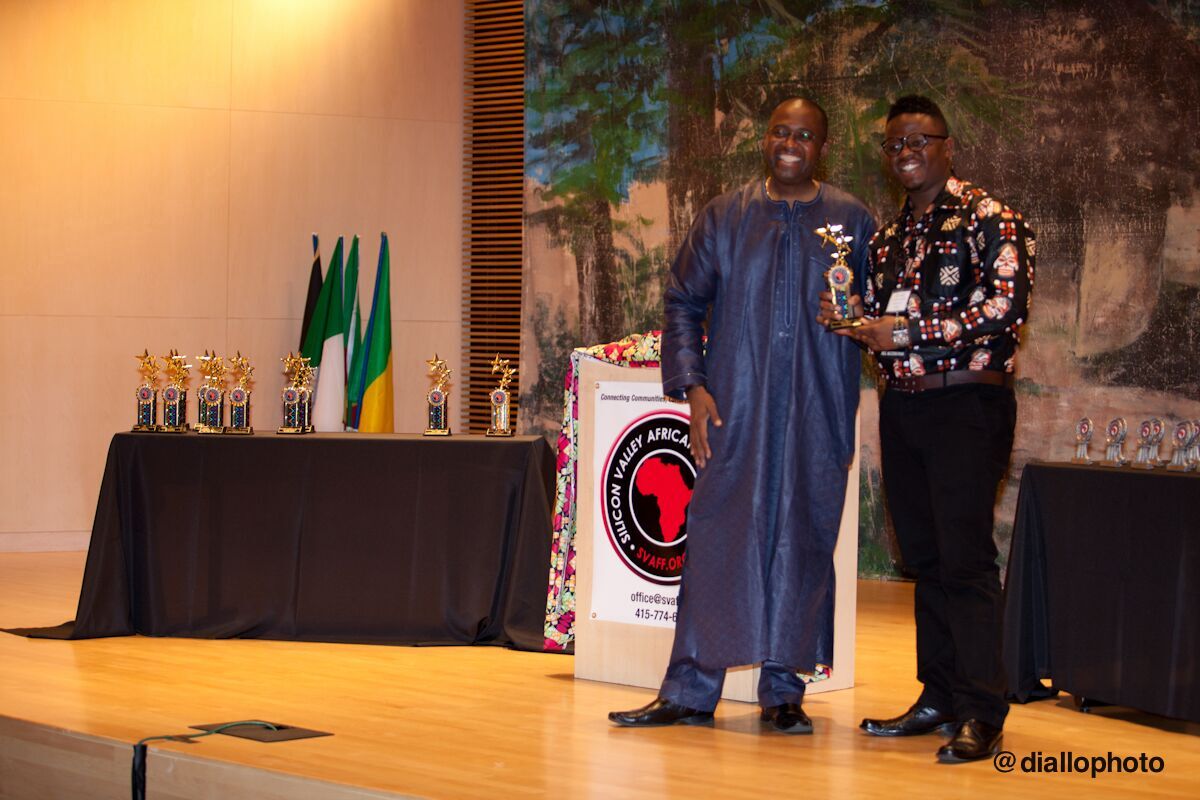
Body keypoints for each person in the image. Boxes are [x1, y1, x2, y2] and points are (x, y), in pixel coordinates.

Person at [608, 97, 875, 733]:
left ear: (822, 147)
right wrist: (692, 387)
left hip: (818, 409)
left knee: (804, 538)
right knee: (718, 538)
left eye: (805, 135)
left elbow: (878, 313)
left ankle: (783, 692)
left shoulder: (852, 221)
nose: (791, 143)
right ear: (765, 139)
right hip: (734, 408)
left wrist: (861, 315)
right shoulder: (725, 217)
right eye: (781, 131)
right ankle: (690, 691)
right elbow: (682, 303)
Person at [820, 95, 1035, 762]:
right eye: (894, 144)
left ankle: (982, 710)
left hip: (968, 406)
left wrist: (911, 330)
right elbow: (883, 328)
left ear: (947, 145)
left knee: (966, 558)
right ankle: (938, 694)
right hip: (904, 407)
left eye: (919, 139)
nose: (905, 151)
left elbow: (1005, 307)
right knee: (926, 557)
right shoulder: (887, 238)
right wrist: (855, 323)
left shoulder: (990, 219)